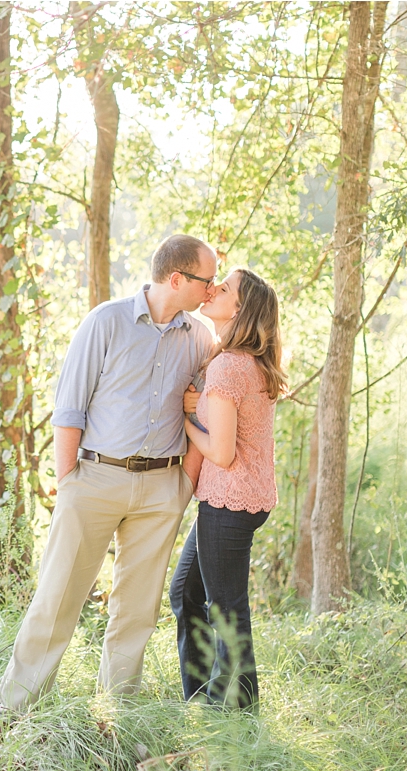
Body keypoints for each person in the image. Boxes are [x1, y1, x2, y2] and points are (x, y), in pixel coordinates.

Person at [0, 234, 217, 734]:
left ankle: (117, 721)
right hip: (94, 479)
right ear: (177, 278)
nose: (212, 288)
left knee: (137, 611)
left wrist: (185, 484)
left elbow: (207, 410)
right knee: (56, 600)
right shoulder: (105, 321)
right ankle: (9, 719)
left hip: (161, 489)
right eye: (206, 278)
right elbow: (69, 405)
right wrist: (70, 480)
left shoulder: (200, 337)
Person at [168, 267, 288, 709]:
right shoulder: (245, 362)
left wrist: (182, 419)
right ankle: (203, 696)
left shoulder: (228, 366)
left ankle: (234, 708)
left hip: (229, 501)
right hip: (243, 498)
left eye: (226, 287)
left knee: (226, 609)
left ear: (240, 309)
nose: (214, 289)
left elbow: (220, 453)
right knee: (186, 593)